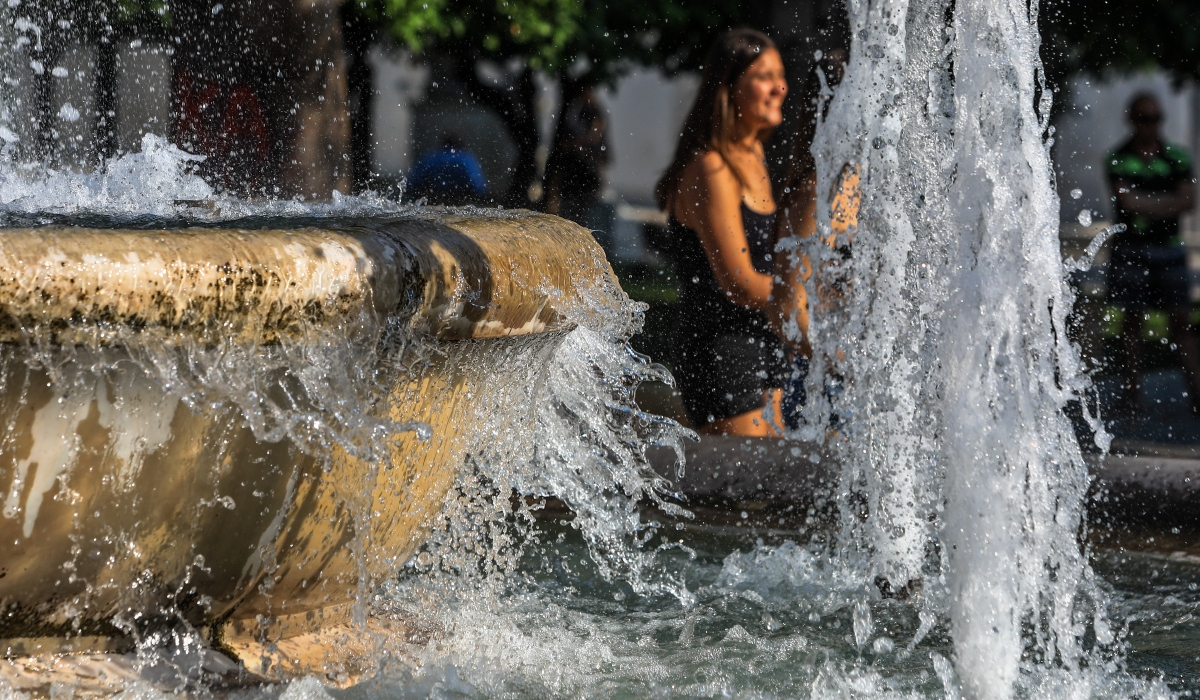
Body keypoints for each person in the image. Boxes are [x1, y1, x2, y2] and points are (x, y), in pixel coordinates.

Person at [654, 28, 789, 436]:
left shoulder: (754, 155)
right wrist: (807, 295)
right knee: (741, 492)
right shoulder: (711, 168)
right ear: (729, 87)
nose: (779, 87)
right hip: (723, 350)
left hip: (764, 341)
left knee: (771, 489)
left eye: (780, 75)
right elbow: (740, 282)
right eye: (764, 76)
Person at [1105, 92, 1199, 413]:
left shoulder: (1176, 157)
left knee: (1181, 320)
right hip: (1132, 248)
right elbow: (1126, 204)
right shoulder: (1118, 158)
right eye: (1144, 119)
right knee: (1132, 321)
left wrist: (1145, 205)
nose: (1151, 126)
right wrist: (1165, 204)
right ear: (1132, 120)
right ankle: (1133, 394)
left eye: (1156, 119)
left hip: (1167, 250)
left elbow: (1187, 202)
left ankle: (1195, 392)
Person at [544, 86, 611, 241]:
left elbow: (595, 137)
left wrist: (576, 144)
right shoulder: (577, 112)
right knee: (571, 215)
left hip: (586, 175)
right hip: (574, 174)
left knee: (584, 217)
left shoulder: (595, 113)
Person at [407, 133, 488, 205]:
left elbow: (412, 183)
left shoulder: (430, 158)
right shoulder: (467, 159)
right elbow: (479, 186)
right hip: (460, 203)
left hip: (431, 202)